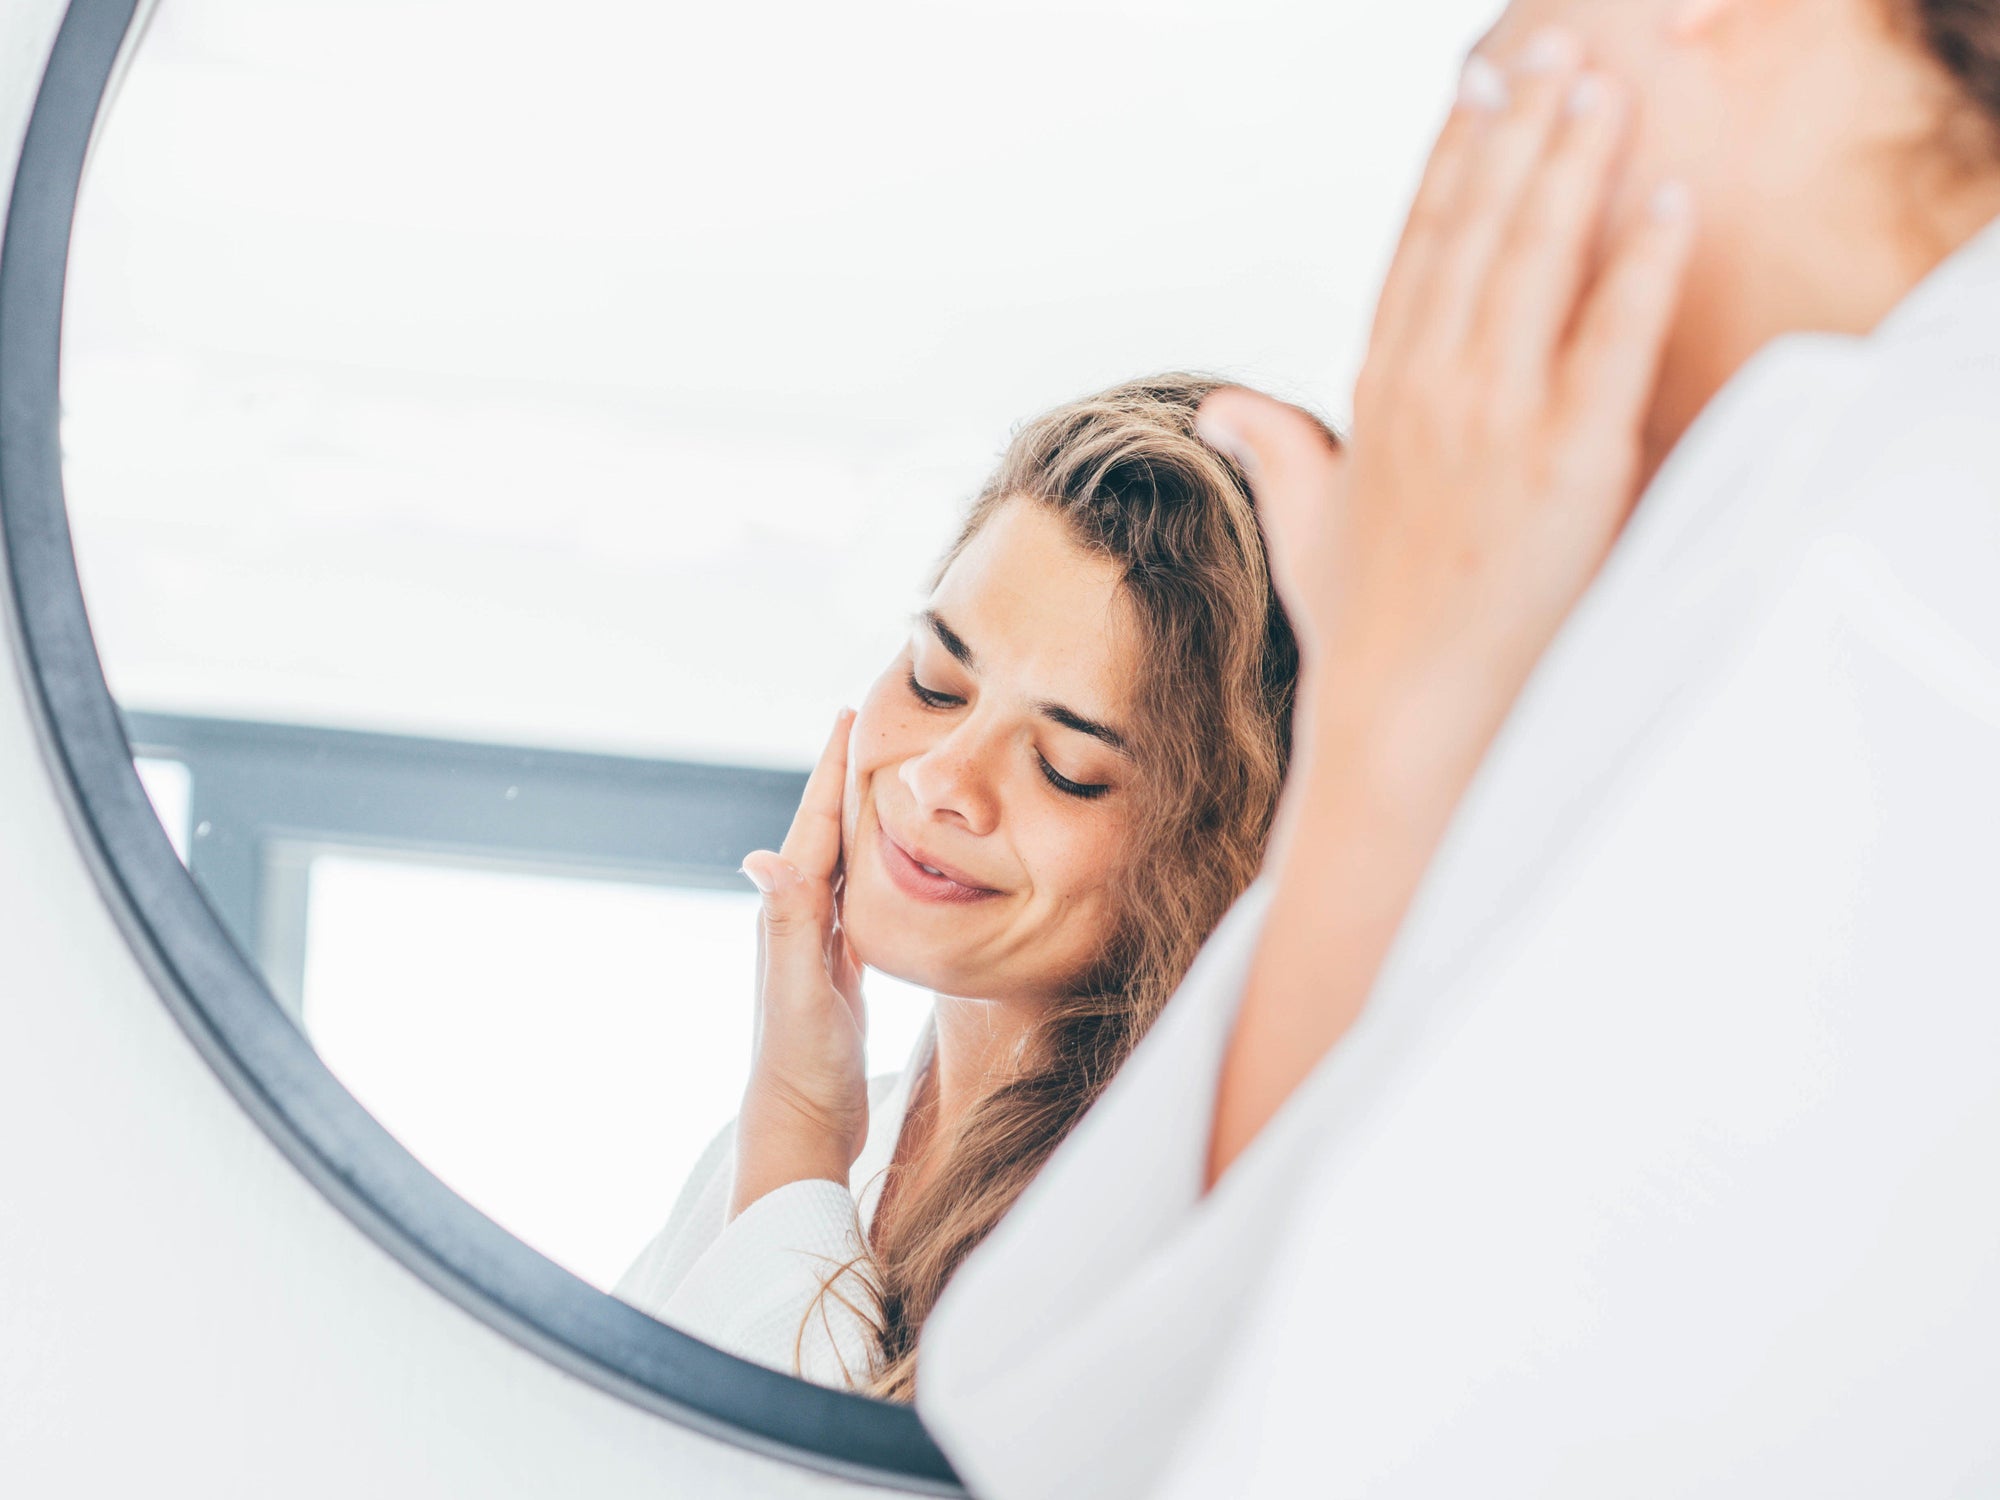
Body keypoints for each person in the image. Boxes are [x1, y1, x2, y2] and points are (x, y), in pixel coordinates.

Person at [919, 4, 2000, 1497]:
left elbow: (1197, 1452)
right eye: (931, 675)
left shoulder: (1880, 580)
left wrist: (1396, 729)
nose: (1481, 76)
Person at [615, 375, 1307, 1397]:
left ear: (1213, 854)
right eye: (936, 679)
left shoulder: (1154, 1248)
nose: (941, 779)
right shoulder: (801, 1141)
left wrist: (797, 1138)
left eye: (1067, 767)